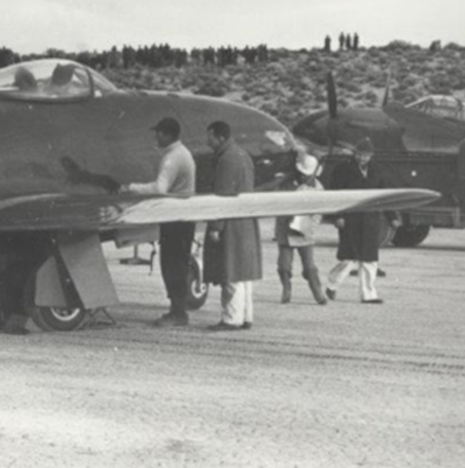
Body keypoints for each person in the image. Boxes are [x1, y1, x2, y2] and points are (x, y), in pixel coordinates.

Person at [122, 117, 197, 327]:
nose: (156, 137)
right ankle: (178, 311)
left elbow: (159, 188)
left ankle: (177, 313)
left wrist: (130, 188)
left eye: (159, 133)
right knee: (177, 263)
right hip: (183, 217)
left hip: (175, 218)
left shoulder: (173, 157)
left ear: (167, 134)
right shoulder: (183, 153)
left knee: (172, 264)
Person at [325, 137, 400, 303]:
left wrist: (392, 217)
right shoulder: (342, 169)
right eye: (359, 154)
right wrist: (338, 216)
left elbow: (383, 196)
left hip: (370, 221)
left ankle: (368, 295)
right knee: (349, 259)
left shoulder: (378, 170)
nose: (362, 158)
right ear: (354, 153)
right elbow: (334, 195)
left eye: (366, 155)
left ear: (371, 155)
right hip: (349, 220)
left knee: (369, 259)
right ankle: (332, 284)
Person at [203, 120, 262, 330]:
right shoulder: (242, 155)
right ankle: (246, 316)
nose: (207, 141)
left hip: (230, 224)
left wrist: (216, 226)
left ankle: (231, 318)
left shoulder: (226, 159)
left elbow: (223, 195)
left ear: (220, 137)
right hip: (245, 220)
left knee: (231, 271)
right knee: (243, 273)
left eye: (210, 136)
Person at [274, 153, 328, 305]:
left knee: (309, 267)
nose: (304, 177)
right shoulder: (286, 183)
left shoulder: (318, 188)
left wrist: (312, 226)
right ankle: (286, 289)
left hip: (305, 231)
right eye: (302, 173)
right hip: (286, 228)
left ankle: (318, 293)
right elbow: (277, 202)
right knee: (284, 266)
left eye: (307, 174)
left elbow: (319, 212)